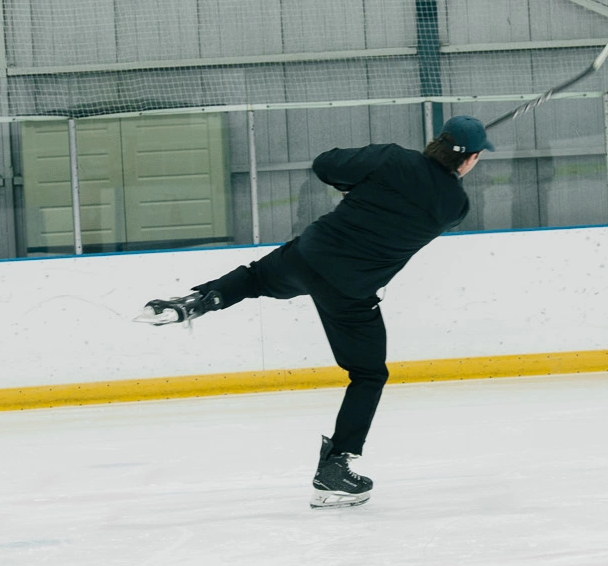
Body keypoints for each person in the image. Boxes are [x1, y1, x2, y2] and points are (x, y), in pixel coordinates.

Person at [142, 115, 491, 508]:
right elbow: (418, 199)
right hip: (350, 292)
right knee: (368, 374)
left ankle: (198, 301)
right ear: (471, 160)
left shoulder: (392, 159)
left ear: (435, 142)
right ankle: (336, 467)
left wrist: (356, 181)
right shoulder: (455, 205)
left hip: (311, 256)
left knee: (256, 278)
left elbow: (326, 164)